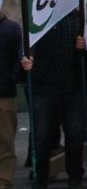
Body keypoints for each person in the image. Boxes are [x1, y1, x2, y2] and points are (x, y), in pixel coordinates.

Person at [21, 11, 87, 189]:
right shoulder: (37, 18)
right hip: (43, 87)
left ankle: (75, 176)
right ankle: (40, 177)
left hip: (71, 85)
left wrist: (82, 46)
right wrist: (26, 60)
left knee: (75, 133)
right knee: (42, 136)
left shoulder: (76, 19)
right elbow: (26, 49)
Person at [0, 10, 19, 189]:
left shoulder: (11, 29)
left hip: (4, 94)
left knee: (5, 142)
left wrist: (11, 78)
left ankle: (3, 181)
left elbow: (18, 58)